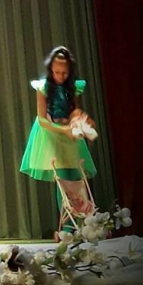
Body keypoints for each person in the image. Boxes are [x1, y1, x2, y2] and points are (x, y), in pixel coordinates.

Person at [20, 45, 97, 231]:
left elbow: (75, 111)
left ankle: (83, 223)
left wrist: (82, 120)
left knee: (76, 176)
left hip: (69, 133)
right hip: (52, 134)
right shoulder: (44, 87)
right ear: (50, 70)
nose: (60, 76)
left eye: (64, 73)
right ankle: (68, 227)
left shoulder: (73, 88)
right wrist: (63, 130)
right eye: (56, 72)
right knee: (62, 178)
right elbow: (42, 119)